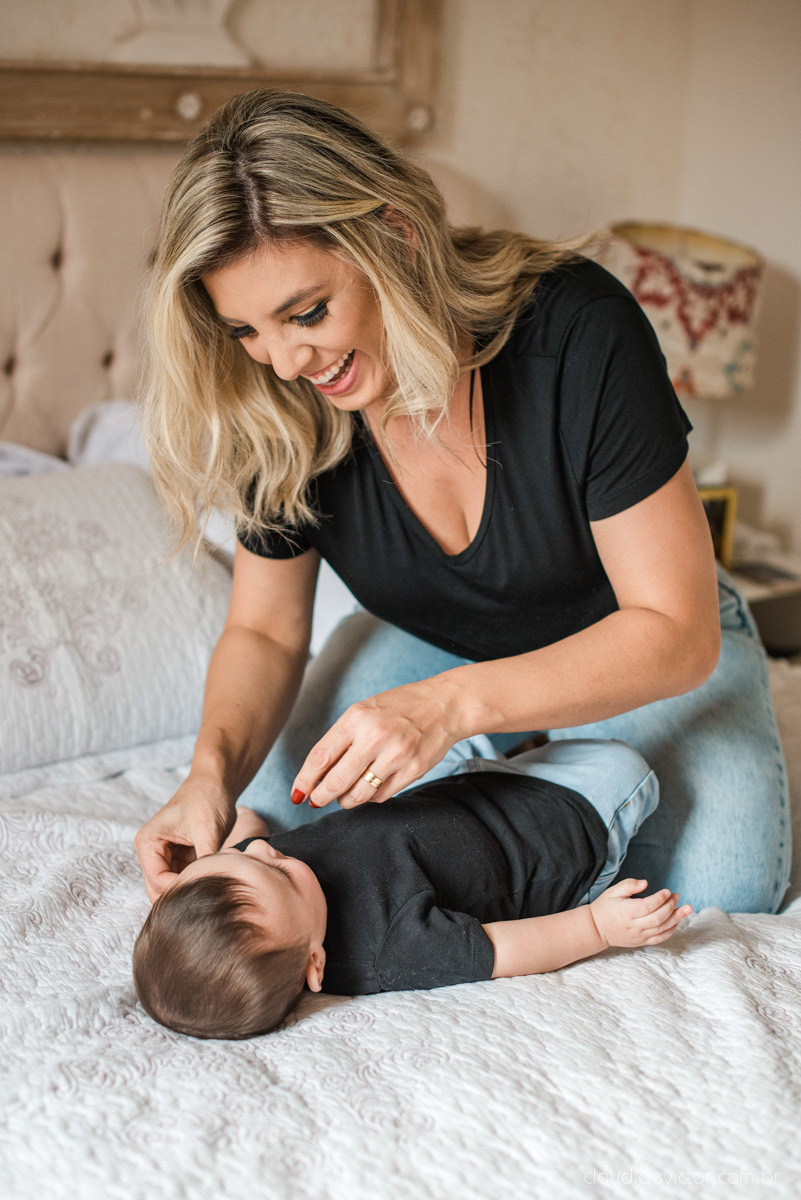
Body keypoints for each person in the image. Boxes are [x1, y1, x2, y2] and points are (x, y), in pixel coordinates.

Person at [134, 89, 790, 917]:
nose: (286, 360)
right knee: (277, 819)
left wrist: (446, 709)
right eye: (247, 332)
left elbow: (674, 632)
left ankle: (537, 749)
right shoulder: (275, 402)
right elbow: (265, 628)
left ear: (397, 235)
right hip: (432, 633)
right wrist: (206, 775)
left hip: (636, 639)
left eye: (307, 313)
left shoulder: (577, 328)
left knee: (719, 899)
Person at [133, 736, 692, 1039]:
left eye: (244, 860)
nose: (266, 852)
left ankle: (512, 743)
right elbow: (502, 950)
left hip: (448, 790)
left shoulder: (264, 890)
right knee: (627, 764)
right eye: (276, 870)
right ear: (315, 965)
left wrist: (229, 828)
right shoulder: (392, 951)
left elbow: (252, 838)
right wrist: (597, 926)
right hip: (544, 834)